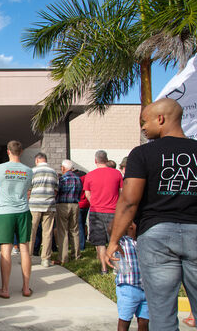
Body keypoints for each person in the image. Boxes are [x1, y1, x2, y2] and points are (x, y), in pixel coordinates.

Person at [105, 99, 197, 330]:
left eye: (144, 122)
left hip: (156, 237)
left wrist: (114, 241)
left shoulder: (142, 153)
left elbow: (129, 201)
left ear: (161, 119)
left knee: (162, 312)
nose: (143, 128)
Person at [0, 141, 33, 299]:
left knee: (5, 250)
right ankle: (26, 288)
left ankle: (5, 289)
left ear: (8, 151)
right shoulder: (28, 170)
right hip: (23, 211)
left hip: (5, 212)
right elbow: (28, 190)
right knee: (25, 249)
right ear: (21, 152)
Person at [84, 149, 123, 275]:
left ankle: (103, 269)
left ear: (96, 160)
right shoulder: (117, 174)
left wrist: (94, 202)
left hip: (96, 211)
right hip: (113, 212)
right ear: (106, 159)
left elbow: (87, 193)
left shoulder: (90, 175)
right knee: (114, 240)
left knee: (100, 242)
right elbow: (122, 192)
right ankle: (116, 267)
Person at [111, 221, 149, 331]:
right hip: (128, 288)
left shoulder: (145, 241)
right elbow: (111, 228)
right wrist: (125, 220)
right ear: (130, 226)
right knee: (125, 321)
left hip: (145, 289)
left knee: (145, 321)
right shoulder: (122, 242)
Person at [28, 152, 58, 268]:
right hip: (49, 205)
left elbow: (29, 190)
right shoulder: (53, 172)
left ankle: (28, 257)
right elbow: (56, 190)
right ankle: (45, 259)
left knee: (31, 232)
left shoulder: (32, 171)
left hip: (35, 205)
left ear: (37, 160)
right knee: (47, 232)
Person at [54, 159, 83, 264]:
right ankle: (76, 255)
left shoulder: (62, 179)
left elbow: (57, 192)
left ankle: (63, 257)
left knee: (63, 231)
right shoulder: (78, 179)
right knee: (74, 230)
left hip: (63, 205)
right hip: (75, 205)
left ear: (63, 168)